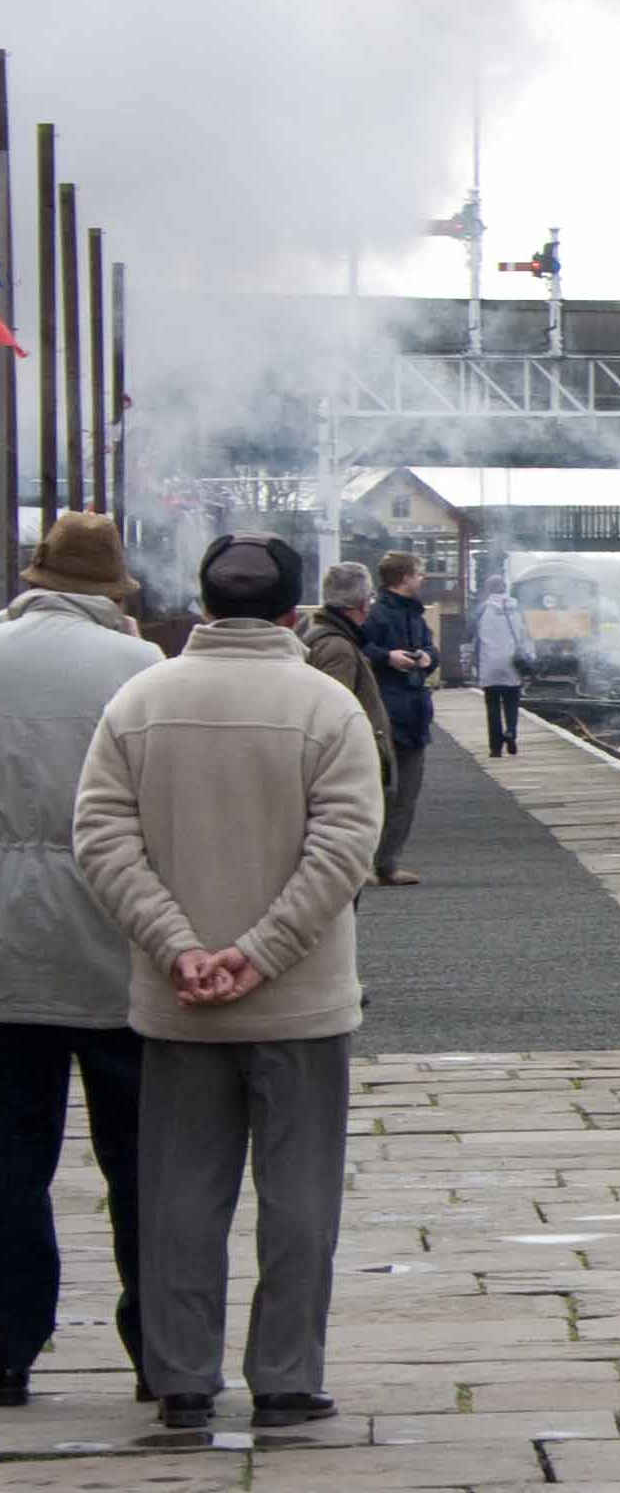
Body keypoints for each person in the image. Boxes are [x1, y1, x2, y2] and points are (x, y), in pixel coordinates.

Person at [73, 533, 382, 1433]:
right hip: (301, 998)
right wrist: (262, 951)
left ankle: (182, 1381)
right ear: (293, 612)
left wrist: (180, 949)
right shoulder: (328, 707)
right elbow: (344, 847)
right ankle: (286, 1378)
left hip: (178, 1002)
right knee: (299, 1199)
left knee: (177, 1197)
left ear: (202, 607)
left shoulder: (139, 701)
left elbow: (101, 839)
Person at [0, 514, 163, 1409]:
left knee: (9, 1166)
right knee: (143, 1164)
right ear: (112, 591)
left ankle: (8, 1347)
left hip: (5, 959)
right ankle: (157, 1350)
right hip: (118, 951)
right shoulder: (141, 674)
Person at [359, 552, 436, 887]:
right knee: (381, 792)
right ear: (403, 578)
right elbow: (360, 650)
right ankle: (366, 863)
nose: (423, 579)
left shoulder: (416, 616)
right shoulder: (376, 614)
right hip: (386, 712)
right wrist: (388, 657)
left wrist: (425, 659)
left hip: (415, 712)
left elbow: (432, 650)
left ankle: (388, 863)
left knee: (407, 793)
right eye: (419, 573)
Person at [301, 565, 394, 794]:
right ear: (362, 603)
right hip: (349, 774)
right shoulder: (338, 648)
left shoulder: (319, 635)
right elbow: (334, 720)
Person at [468, 576, 530, 758]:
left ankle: (495, 748)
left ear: (488, 590)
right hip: (512, 664)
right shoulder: (516, 608)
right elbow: (525, 636)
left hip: (489, 664)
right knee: (512, 703)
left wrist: (469, 661)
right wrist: (529, 658)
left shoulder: (481, 610)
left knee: (493, 706)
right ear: (505, 589)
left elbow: (471, 636)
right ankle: (511, 732)